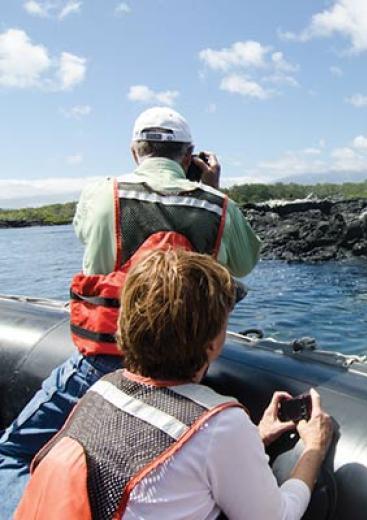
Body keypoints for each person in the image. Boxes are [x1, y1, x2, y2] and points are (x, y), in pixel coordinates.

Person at [0, 106, 261, 514]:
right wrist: (214, 191)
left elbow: (84, 232)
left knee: (11, 454)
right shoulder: (217, 206)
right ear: (189, 155)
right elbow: (245, 262)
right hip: (189, 366)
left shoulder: (103, 193)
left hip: (103, 359)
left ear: (135, 150)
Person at [15, 249, 333, 519]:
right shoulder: (221, 427)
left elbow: (159, 456)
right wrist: (314, 450)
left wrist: (256, 437)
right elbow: (278, 516)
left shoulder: (104, 389)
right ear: (211, 345)